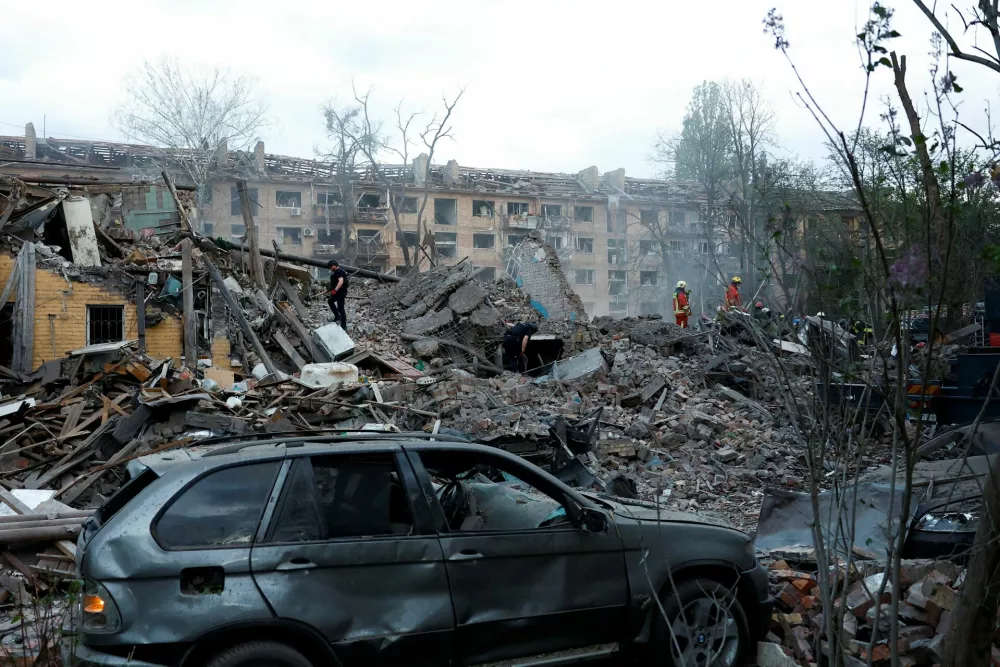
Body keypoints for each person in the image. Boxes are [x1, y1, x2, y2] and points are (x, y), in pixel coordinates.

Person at [327, 259, 349, 329]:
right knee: (330, 301)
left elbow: (340, 282)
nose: (330, 269)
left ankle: (343, 325)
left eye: (330, 267)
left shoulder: (339, 271)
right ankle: (337, 316)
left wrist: (335, 290)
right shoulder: (339, 271)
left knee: (341, 308)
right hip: (338, 292)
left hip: (340, 292)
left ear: (333, 266)